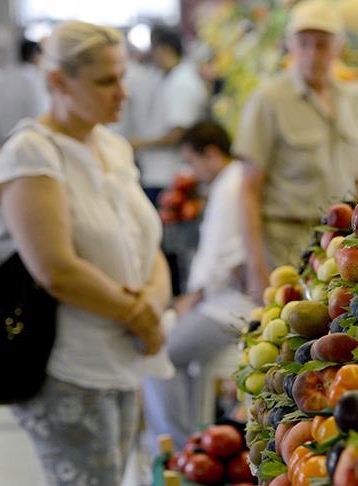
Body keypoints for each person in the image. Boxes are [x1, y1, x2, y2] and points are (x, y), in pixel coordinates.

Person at [0, 21, 170, 485]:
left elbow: (146, 243)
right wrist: (141, 317)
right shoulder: (32, 156)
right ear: (58, 82)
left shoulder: (112, 146)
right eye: (106, 81)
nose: (122, 92)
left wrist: (155, 304)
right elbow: (55, 270)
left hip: (122, 357)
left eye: (123, 75)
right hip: (69, 368)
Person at [234, 0, 358, 300]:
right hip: (285, 248)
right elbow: (248, 191)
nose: (312, 54)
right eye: (303, 43)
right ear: (290, 46)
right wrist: (256, 270)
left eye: (322, 45)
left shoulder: (352, 99)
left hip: (339, 246)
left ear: (338, 48)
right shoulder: (268, 100)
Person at [142, 120, 254, 450]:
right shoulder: (230, 183)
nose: (192, 171)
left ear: (211, 154)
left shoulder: (231, 187)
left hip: (229, 308)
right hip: (219, 300)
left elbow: (225, 255)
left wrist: (194, 296)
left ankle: (178, 448)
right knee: (168, 342)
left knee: (159, 352)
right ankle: (188, 435)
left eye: (192, 161)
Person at [130, 27, 208, 204]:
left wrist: (138, 144)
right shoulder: (168, 77)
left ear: (162, 49)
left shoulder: (182, 82)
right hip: (159, 172)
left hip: (169, 175)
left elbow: (178, 133)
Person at [0, 39, 48, 154]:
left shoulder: (1, 80)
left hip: (4, 148)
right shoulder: (37, 81)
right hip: (33, 150)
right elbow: (43, 119)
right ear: (35, 56)